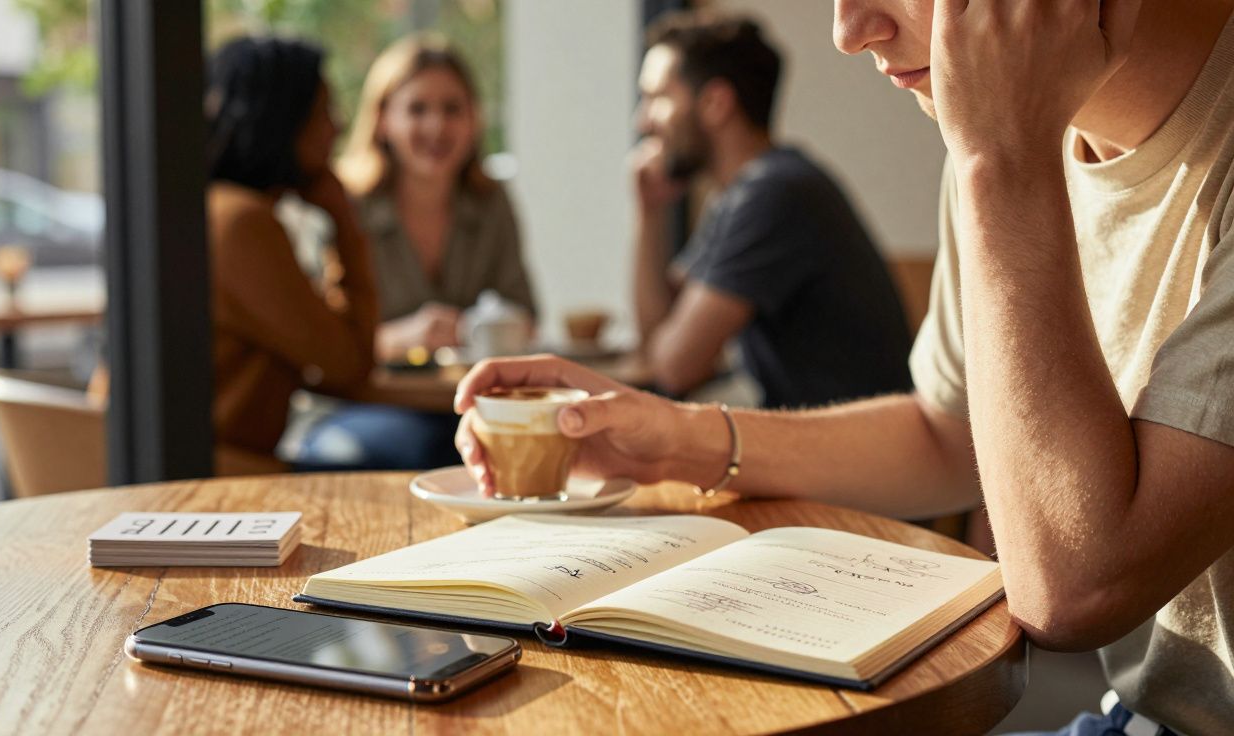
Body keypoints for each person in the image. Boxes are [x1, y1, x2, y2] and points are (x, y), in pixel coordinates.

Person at [455, 2, 1234, 734]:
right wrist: (672, 442)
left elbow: (1076, 590)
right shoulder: (1010, 130)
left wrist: (997, 161)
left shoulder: (1000, 139)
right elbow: (947, 435)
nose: (849, 29)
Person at [632, 13, 912, 407]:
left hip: (856, 444)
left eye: (657, 98)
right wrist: (650, 212)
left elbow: (673, 368)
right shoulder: (742, 193)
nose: (642, 121)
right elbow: (659, 335)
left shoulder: (772, 194)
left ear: (715, 103)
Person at [293, 34, 536, 470]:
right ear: (383, 119)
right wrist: (401, 338)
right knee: (422, 451)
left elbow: (524, 313)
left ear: (474, 119)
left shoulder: (491, 201)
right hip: (359, 410)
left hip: (465, 406)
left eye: (452, 109)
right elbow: (315, 344)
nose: (437, 127)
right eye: (417, 109)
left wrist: (476, 329)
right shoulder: (344, 204)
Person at [205, 37, 379, 476]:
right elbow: (349, 364)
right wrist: (345, 224)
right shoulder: (242, 224)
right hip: (223, 477)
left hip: (218, 467)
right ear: (281, 119)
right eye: (323, 110)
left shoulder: (215, 208)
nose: (337, 127)